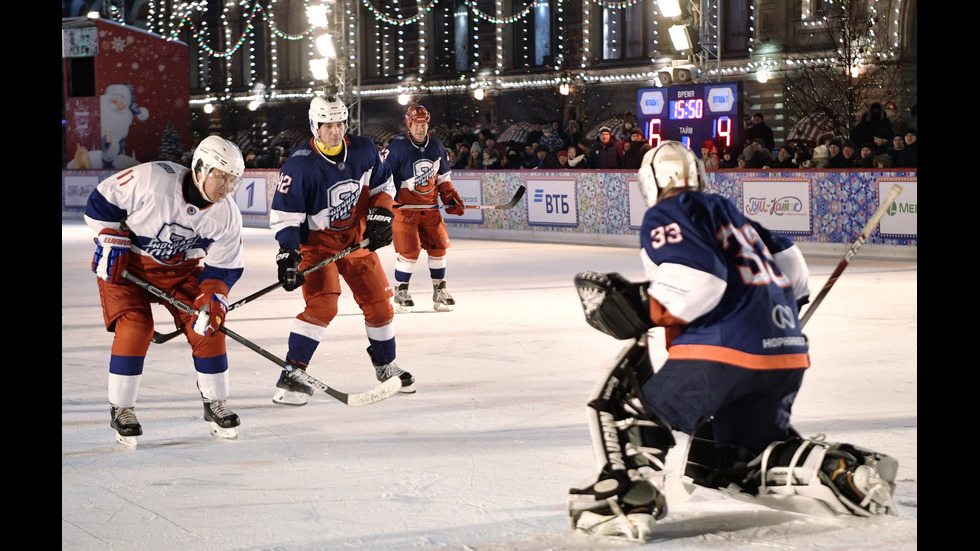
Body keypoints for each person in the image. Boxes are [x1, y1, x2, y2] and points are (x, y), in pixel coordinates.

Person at [566, 141, 898, 540]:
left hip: (723, 353)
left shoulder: (669, 212)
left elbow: (700, 280)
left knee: (630, 405)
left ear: (650, 182)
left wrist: (643, 305)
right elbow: (793, 267)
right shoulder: (731, 215)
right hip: (785, 356)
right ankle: (840, 473)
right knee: (738, 455)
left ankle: (626, 498)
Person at [84, 134, 247, 447]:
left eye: (233, 180)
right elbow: (101, 203)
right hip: (129, 268)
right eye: (221, 177)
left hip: (180, 273)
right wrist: (110, 235)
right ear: (201, 168)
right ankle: (122, 408)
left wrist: (214, 296)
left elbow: (224, 266)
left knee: (208, 326)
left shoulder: (226, 214)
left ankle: (215, 401)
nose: (226, 188)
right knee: (135, 327)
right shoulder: (152, 180)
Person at [269, 93, 414, 406]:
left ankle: (385, 365)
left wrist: (381, 214)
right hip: (317, 246)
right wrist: (289, 255)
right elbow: (285, 218)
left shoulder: (363, 149)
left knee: (380, 306)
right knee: (323, 306)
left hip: (356, 241)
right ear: (314, 127)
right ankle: (292, 374)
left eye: (339, 123)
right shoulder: (299, 165)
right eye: (327, 125)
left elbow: (383, 187)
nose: (335, 130)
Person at [381, 104, 466, 316]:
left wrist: (449, 196)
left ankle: (440, 291)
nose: (420, 129)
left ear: (428, 124)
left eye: (423, 124)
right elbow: (383, 177)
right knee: (409, 251)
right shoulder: (398, 147)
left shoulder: (437, 146)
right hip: (404, 210)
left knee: (439, 248)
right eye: (416, 125)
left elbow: (443, 178)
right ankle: (401, 292)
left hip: (429, 208)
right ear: (409, 124)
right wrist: (385, 202)